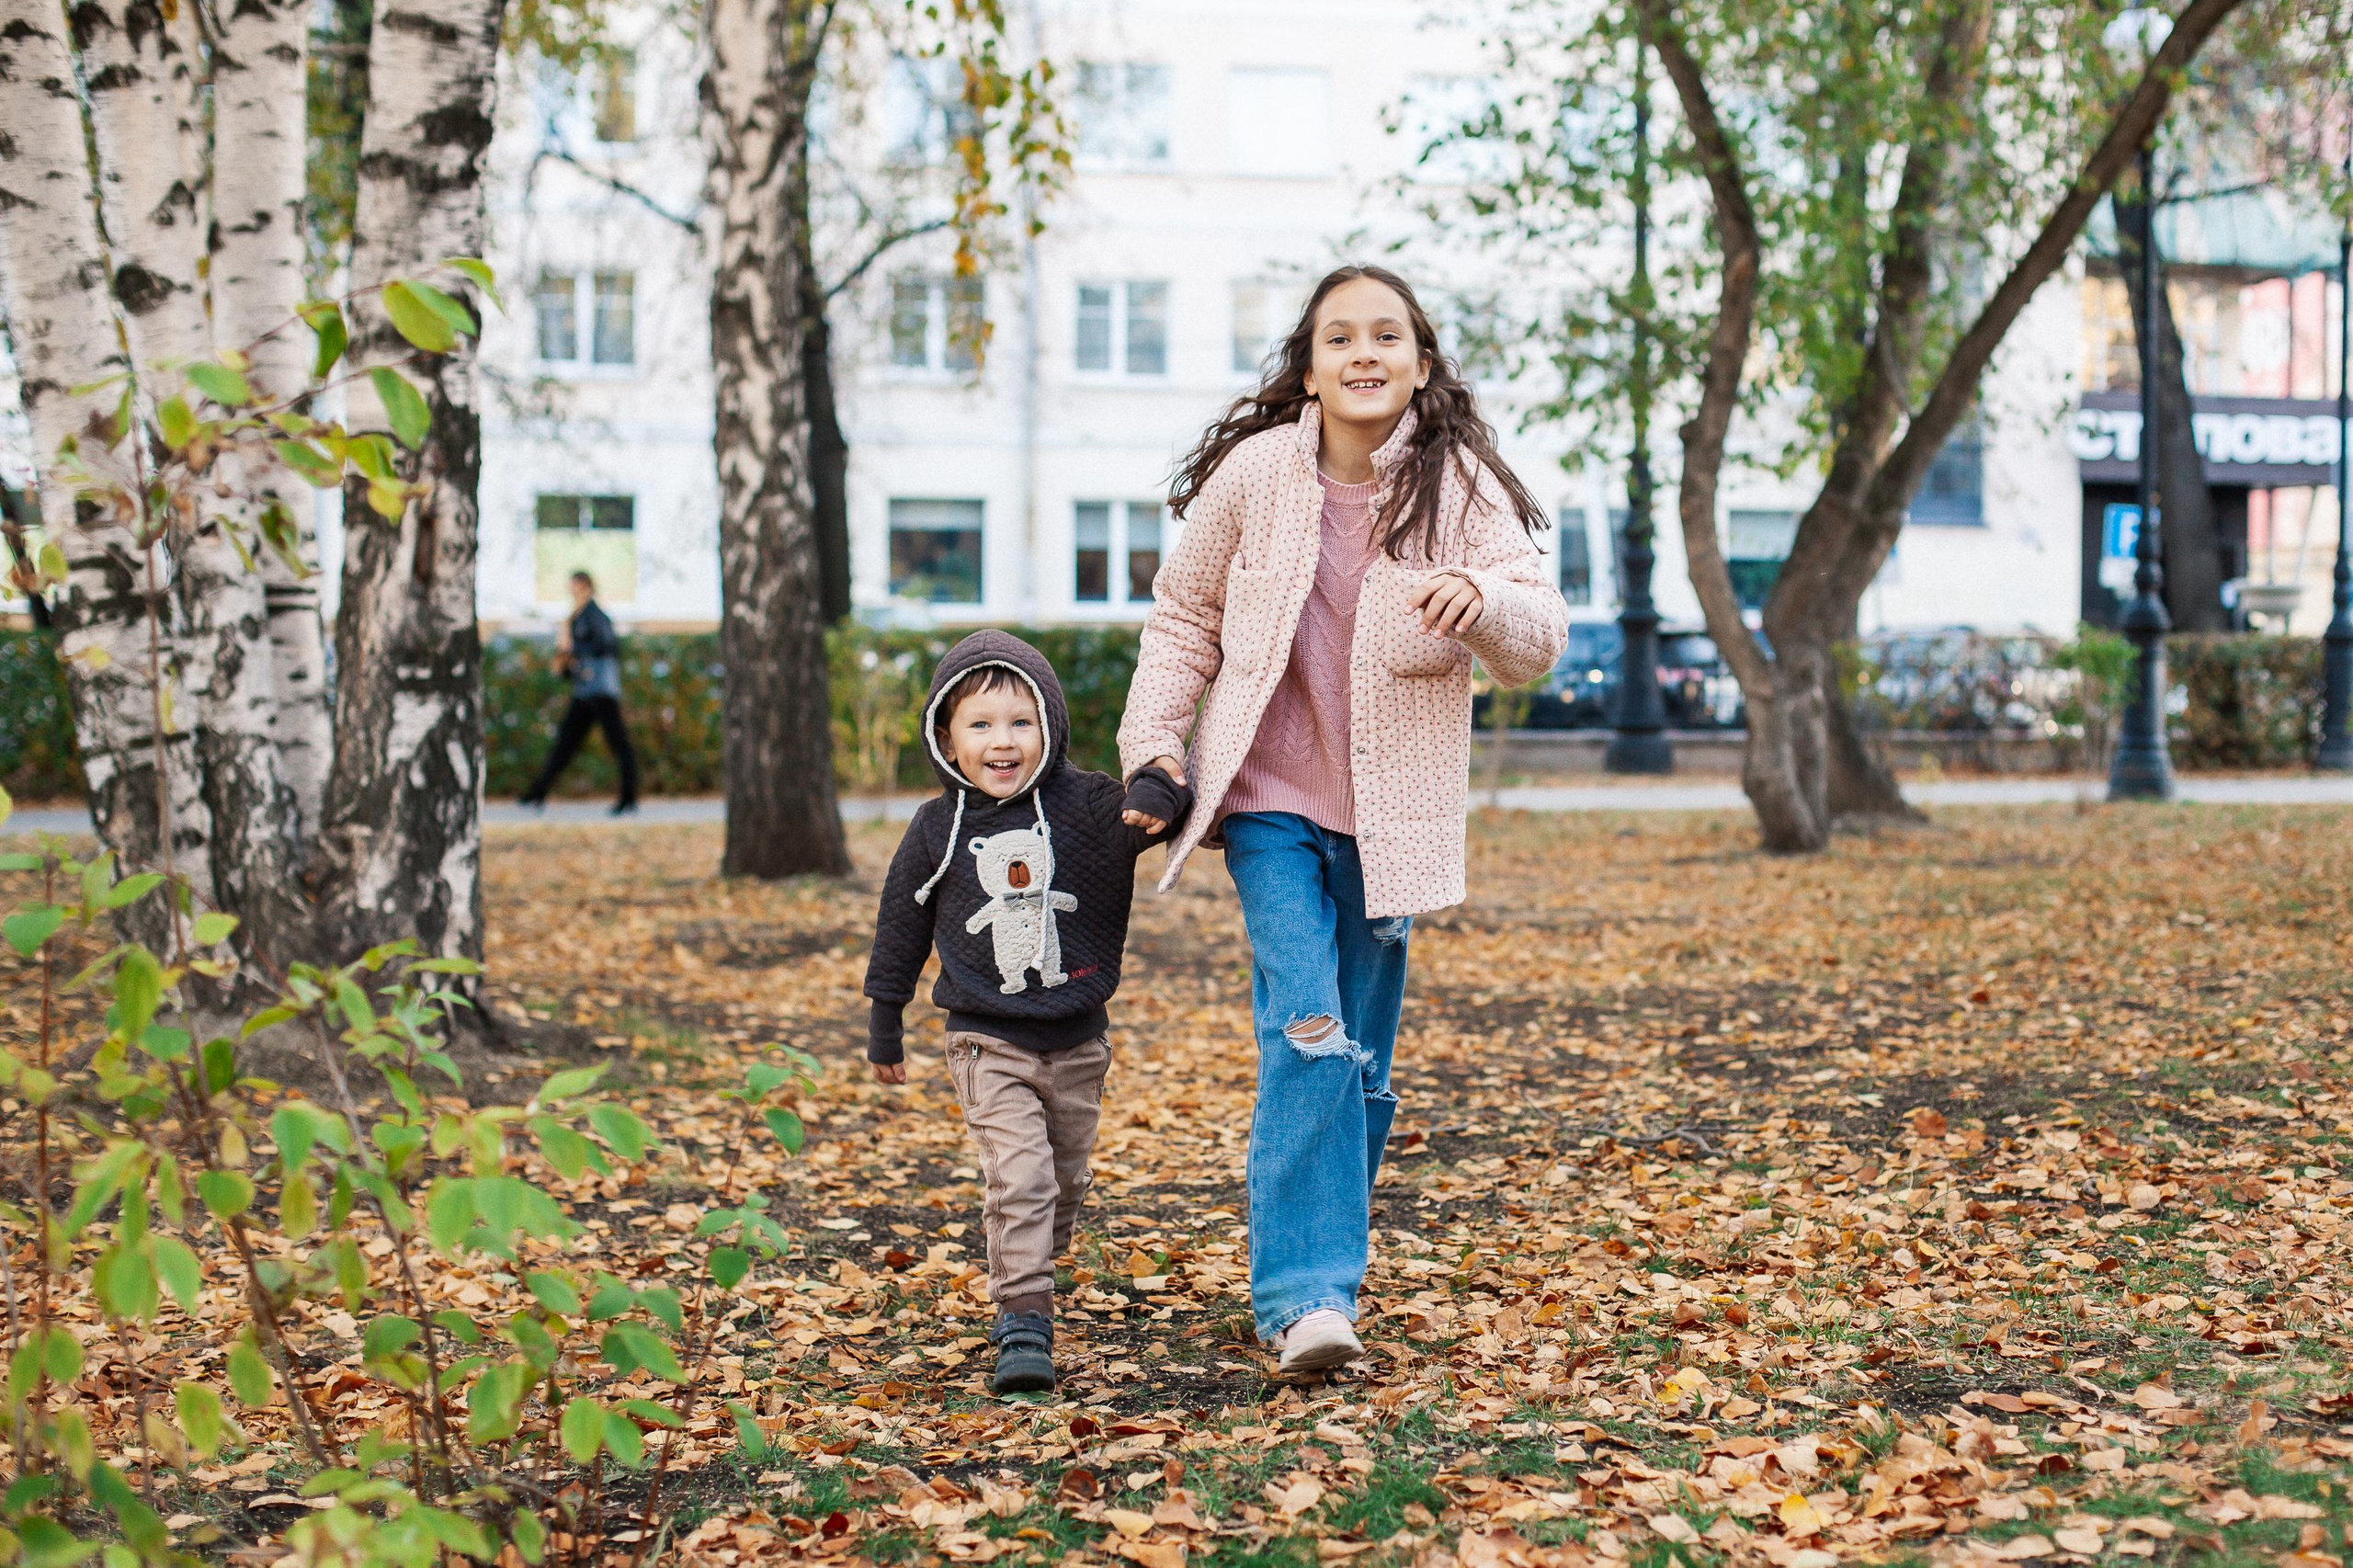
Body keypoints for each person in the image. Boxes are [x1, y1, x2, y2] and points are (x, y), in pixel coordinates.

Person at [1117, 265, 1568, 1375]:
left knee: (1355, 1062)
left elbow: (1539, 629)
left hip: (1390, 820)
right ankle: (1304, 1297)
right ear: (1308, 366)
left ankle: (1311, 1242)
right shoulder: (1256, 474)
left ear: (1419, 360)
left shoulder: (1455, 482)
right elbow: (1183, 617)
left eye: (1387, 335)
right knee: (1307, 1031)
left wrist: (1485, 599)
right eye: (1338, 337)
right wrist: (1152, 748)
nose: (1363, 352)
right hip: (1266, 801)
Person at [862, 631, 1192, 1394]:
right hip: (986, 1039)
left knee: (1063, 1180)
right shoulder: (937, 829)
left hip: (1079, 1041)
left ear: (1050, 726)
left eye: (1020, 722)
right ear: (946, 735)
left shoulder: (1089, 805)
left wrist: (1158, 795)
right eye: (979, 725)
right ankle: (1022, 1318)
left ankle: (1034, 1259)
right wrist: (886, 1019)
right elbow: (899, 927)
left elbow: (1169, 806)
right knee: (1020, 1176)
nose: (1001, 742)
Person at [519, 570, 639, 815]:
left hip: (600, 692)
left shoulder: (593, 615)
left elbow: (606, 645)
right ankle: (538, 792)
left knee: (619, 745)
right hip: (584, 692)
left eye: (575, 585)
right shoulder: (576, 617)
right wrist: (565, 665)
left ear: (585, 586)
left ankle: (629, 797)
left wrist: (574, 649)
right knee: (564, 744)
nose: (571, 590)